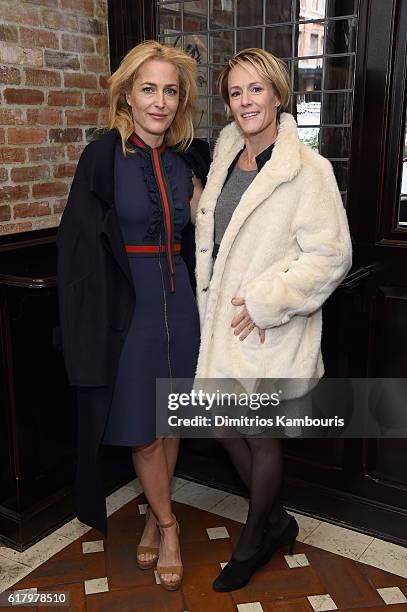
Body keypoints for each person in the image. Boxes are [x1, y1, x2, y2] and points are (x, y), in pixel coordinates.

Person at [194, 48, 352, 591]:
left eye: (256, 89)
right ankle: (279, 521)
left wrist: (268, 299)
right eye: (235, 93)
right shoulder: (223, 157)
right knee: (220, 424)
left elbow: (330, 257)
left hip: (269, 325)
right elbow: (223, 234)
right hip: (222, 327)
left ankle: (254, 537)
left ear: (278, 95)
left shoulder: (307, 170)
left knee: (262, 435)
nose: (245, 102)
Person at [57, 40, 209, 592]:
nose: (160, 101)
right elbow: (76, 248)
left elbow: (209, 229)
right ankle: (169, 525)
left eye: (171, 91)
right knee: (143, 430)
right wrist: (79, 325)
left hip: (181, 301)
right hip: (130, 306)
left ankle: (150, 511)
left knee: (170, 421)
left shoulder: (191, 157)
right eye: (149, 89)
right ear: (127, 93)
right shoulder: (101, 157)